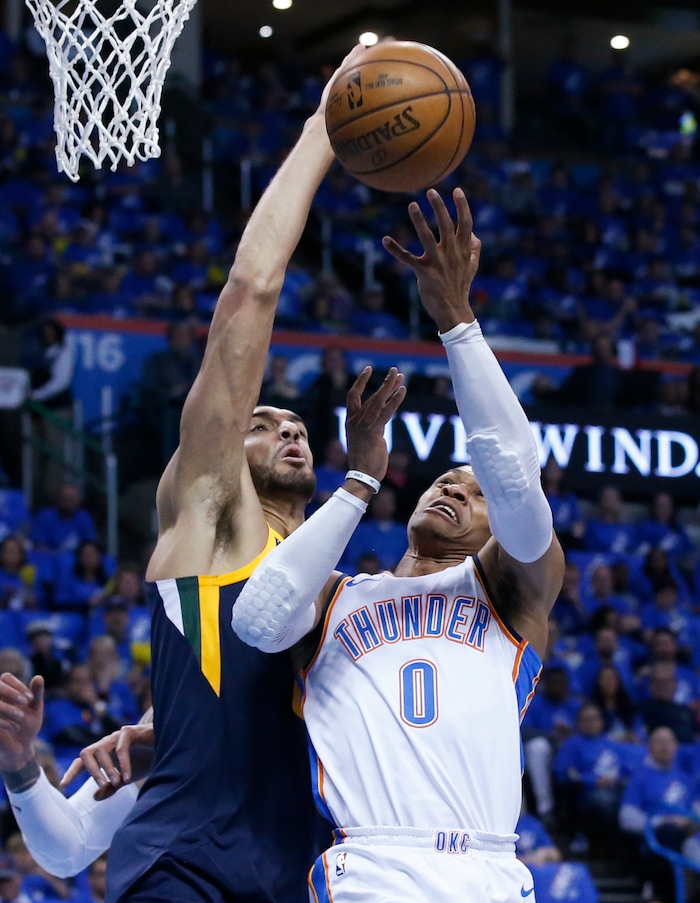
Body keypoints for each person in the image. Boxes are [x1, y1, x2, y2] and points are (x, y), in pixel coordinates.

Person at [2, 43, 391, 903]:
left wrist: (146, 730)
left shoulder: (331, 586)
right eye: (260, 423)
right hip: (186, 865)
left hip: (306, 869)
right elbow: (250, 291)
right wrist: (321, 131)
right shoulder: (214, 517)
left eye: (295, 424)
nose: (286, 427)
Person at [232, 187, 565, 901]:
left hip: (492, 866)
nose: (457, 491)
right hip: (373, 863)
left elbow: (513, 477)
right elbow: (257, 620)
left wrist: (456, 319)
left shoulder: (511, 588)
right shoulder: (335, 595)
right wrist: (358, 477)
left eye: (473, 497)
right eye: (447, 480)